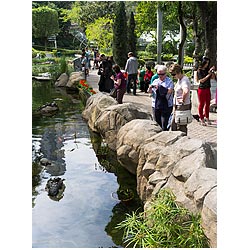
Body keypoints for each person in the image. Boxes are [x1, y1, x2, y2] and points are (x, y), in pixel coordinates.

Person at [169, 64, 191, 135]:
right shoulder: (180, 80)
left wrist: (182, 100)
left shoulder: (184, 80)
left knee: (181, 124)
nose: (173, 76)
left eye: (173, 74)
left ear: (178, 72)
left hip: (182, 106)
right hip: (177, 105)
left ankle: (183, 140)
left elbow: (186, 90)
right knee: (174, 123)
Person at [149, 65, 174, 131]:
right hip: (155, 105)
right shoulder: (155, 81)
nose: (160, 76)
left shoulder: (169, 81)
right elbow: (149, 92)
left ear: (166, 73)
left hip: (167, 105)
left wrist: (160, 88)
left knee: (164, 124)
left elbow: (170, 91)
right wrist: (150, 87)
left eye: (162, 74)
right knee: (157, 124)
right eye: (158, 74)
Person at [197, 57, 215, 125]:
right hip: (202, 89)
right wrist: (208, 75)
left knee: (208, 104)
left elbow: (213, 78)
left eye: (208, 63)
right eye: (206, 63)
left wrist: (212, 72)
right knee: (202, 104)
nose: (207, 64)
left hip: (208, 88)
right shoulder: (199, 70)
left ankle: (207, 118)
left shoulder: (207, 70)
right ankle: (201, 118)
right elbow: (201, 80)